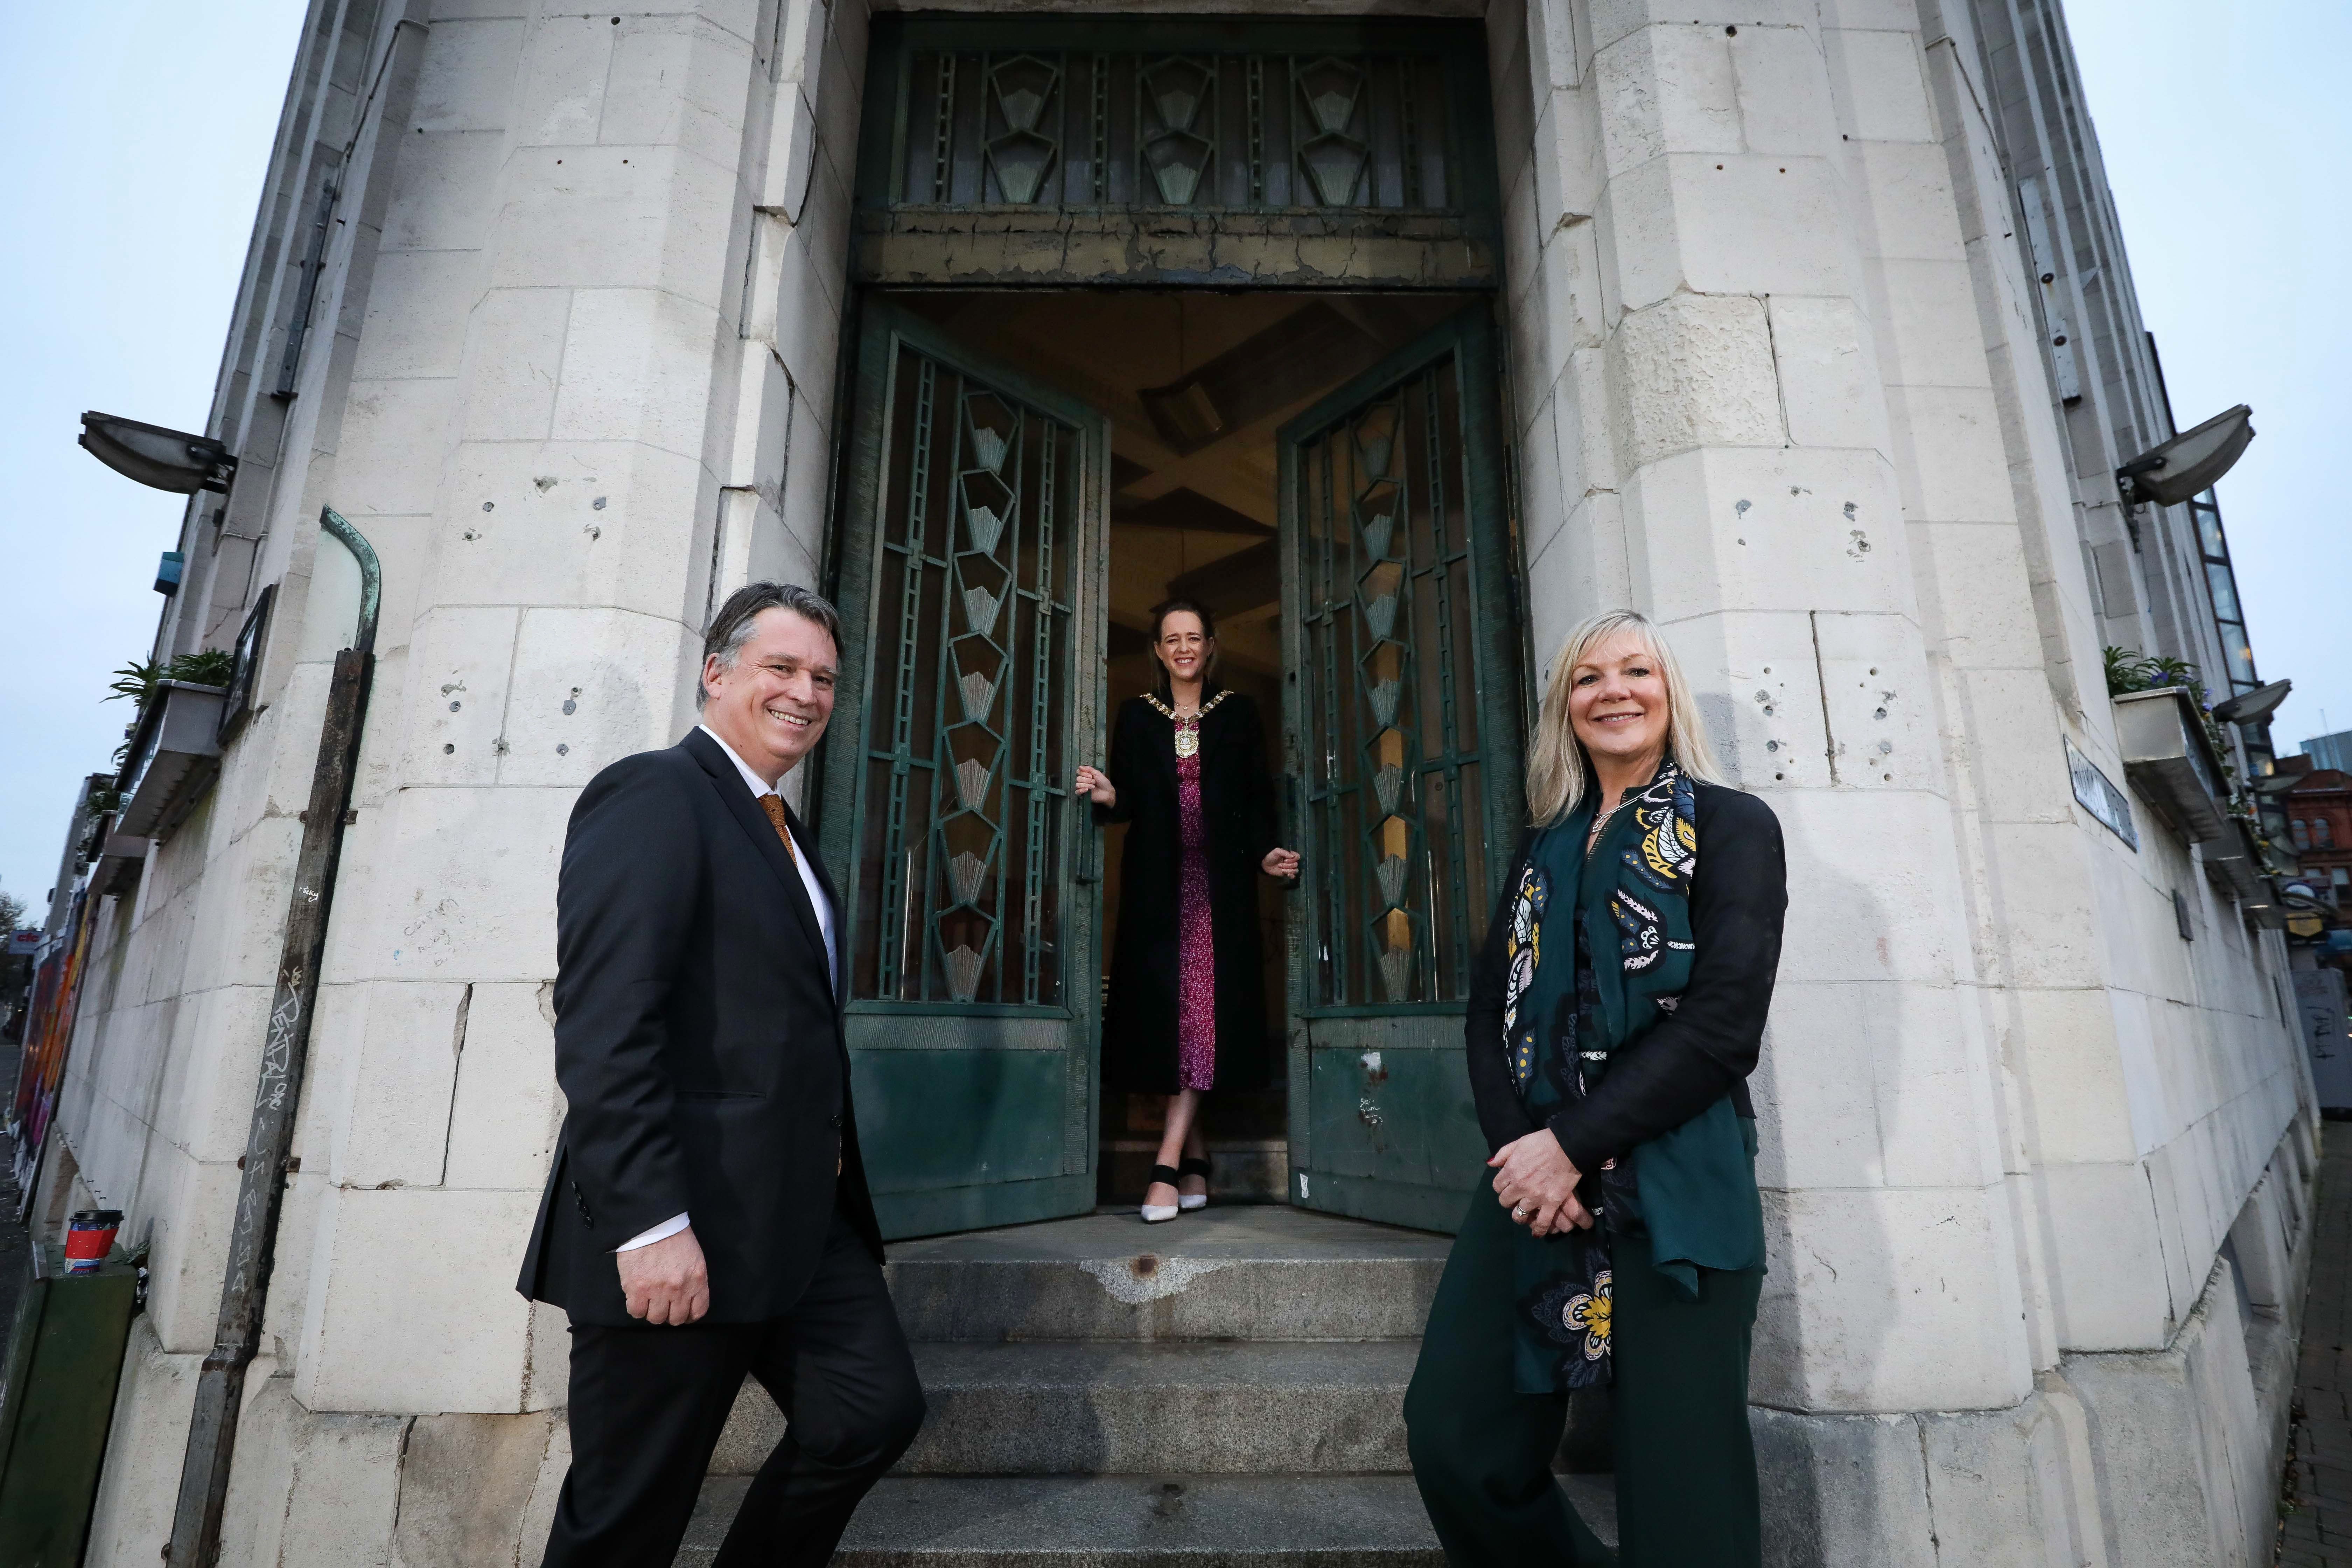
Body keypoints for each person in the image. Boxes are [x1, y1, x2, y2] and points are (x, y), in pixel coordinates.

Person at [518, 582, 925, 1567]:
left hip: (796, 1224)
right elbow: (609, 1024)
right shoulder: (656, 793)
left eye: (824, 677)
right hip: (680, 1226)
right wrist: (651, 1223)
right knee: (628, 1518)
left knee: (869, 1413)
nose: (806, 693)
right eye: (781, 668)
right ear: (717, 672)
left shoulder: (782, 827)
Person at [1403, 608, 1787, 1566]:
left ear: (1669, 691)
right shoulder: (1544, 848)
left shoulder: (1733, 825)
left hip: (1678, 1182)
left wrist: (1571, 1147)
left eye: (1635, 671)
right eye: (1588, 678)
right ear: (1564, 709)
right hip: (1534, 1188)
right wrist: (1529, 1161)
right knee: (1455, 1434)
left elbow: (1724, 1023)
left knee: (1683, 1488)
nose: (1613, 691)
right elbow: (1488, 1019)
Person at [1076, 599, 1299, 1222]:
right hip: (1157, 890)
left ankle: (1166, 1167)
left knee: (1205, 1017)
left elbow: (1256, 799)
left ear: (1210, 646)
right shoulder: (1137, 717)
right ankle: (1197, 1161)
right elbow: (1127, 802)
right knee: (1172, 1020)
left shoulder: (1238, 714)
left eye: (1193, 637)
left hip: (1219, 890)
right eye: (1171, 639)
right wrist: (1105, 792)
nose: (1182, 648)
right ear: (1157, 649)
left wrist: (1266, 856)